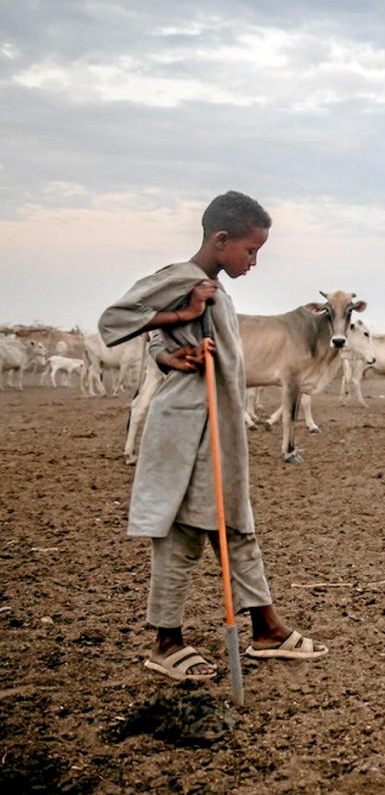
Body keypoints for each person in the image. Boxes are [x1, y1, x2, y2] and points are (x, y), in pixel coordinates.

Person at [99, 190, 327, 681]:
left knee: (236, 526)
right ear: (221, 239)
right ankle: (167, 642)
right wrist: (181, 316)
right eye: (250, 251)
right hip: (186, 427)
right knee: (183, 533)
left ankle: (267, 630)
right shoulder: (183, 279)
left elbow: (163, 346)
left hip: (219, 424)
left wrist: (170, 351)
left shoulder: (209, 286)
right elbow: (114, 321)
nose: (254, 261)